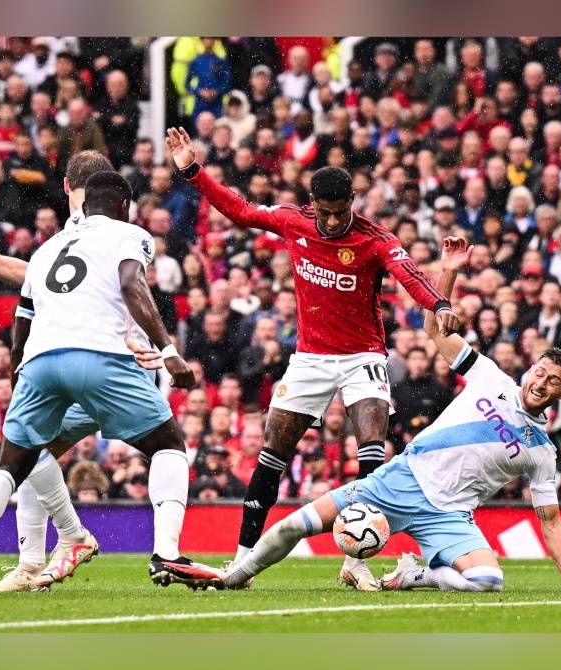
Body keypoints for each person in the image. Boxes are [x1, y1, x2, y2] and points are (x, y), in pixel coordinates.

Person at [209, 238, 561, 594]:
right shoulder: (490, 376)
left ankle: (417, 574)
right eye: (540, 372)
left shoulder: (542, 452)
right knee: (296, 525)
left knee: (487, 581)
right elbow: (435, 330)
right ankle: (235, 575)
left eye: (552, 381)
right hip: (401, 480)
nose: (541, 383)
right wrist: (447, 272)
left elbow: (549, 519)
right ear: (529, 368)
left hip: (449, 515)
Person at [165, 126, 460, 591]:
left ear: (353, 201)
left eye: (340, 213)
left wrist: (439, 305)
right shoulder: (293, 221)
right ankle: (242, 561)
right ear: (312, 203)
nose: (332, 222)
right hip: (311, 358)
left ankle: (356, 561)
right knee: (271, 454)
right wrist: (193, 172)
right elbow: (240, 210)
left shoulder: (374, 238)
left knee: (371, 457)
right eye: (325, 213)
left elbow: (409, 275)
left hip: (363, 355)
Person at [0, 173, 220, 595]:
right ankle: (166, 553)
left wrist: (20, 377)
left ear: (78, 198)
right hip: (99, 359)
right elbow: (131, 283)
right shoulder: (129, 233)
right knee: (168, 444)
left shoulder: (46, 250)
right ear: (124, 206)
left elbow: (21, 321)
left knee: (12, 465)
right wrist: (169, 350)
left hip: (41, 362)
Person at [0, 151, 132, 592]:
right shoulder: (110, 227)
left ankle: (71, 539)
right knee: (29, 452)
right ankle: (33, 562)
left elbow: (37, 278)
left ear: (65, 186)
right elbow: (38, 278)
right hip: (97, 361)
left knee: (23, 449)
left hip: (82, 359)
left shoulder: (85, 229)